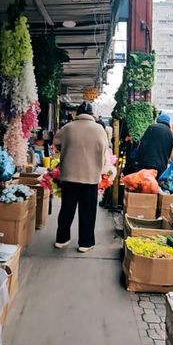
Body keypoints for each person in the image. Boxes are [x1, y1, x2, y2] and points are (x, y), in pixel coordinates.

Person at [53, 102, 109, 253]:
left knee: (66, 209)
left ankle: (62, 239)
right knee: (88, 211)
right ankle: (85, 242)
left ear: (77, 113)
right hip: (90, 177)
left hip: (69, 176)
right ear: (92, 115)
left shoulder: (67, 127)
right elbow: (104, 150)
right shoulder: (99, 129)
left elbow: (56, 143)